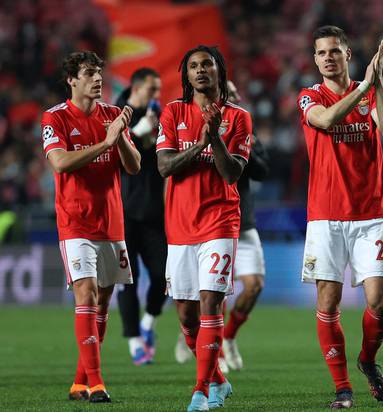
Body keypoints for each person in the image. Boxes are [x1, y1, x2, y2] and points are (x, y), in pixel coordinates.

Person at [297, 26, 383, 408]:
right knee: (328, 301)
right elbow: (324, 121)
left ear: (348, 54)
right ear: (315, 58)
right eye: (321, 52)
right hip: (325, 215)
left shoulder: (368, 92)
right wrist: (362, 89)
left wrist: (377, 83)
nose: (327, 58)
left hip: (370, 212)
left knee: (379, 300)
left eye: (334, 51)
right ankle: (342, 388)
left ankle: (368, 360)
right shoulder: (309, 96)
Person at [156, 45, 252, 412]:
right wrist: (201, 143)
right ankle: (220, 382)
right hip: (180, 225)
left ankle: (200, 391)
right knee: (186, 314)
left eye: (207, 65)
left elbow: (232, 173)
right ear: (186, 75)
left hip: (220, 220)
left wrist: (215, 137)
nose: (200, 71)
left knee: (211, 302)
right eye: (193, 66)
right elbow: (165, 167)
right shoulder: (173, 112)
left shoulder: (239, 117)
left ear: (219, 72)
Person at [41, 51, 141, 402]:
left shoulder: (113, 115)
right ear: (71, 80)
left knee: (102, 303)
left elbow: (134, 166)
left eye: (99, 73)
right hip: (75, 223)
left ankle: (79, 380)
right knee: (85, 295)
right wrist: (105, 142)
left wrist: (121, 137)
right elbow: (61, 163)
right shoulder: (54, 118)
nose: (97, 79)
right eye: (88, 73)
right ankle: (97, 383)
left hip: (111, 224)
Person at [115, 67, 168, 365]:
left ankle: (149, 323)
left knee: (163, 277)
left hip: (154, 213)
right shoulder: (115, 115)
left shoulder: (159, 117)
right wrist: (137, 132)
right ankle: (135, 341)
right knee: (127, 282)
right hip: (121, 213)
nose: (156, 95)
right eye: (152, 88)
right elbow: (111, 157)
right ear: (136, 87)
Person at [221, 80, 270, 371]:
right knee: (212, 292)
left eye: (238, 93)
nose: (237, 97)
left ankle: (227, 337)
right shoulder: (199, 126)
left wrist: (245, 149)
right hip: (211, 222)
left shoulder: (245, 127)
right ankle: (207, 346)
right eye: (231, 93)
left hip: (243, 219)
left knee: (253, 286)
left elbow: (263, 171)